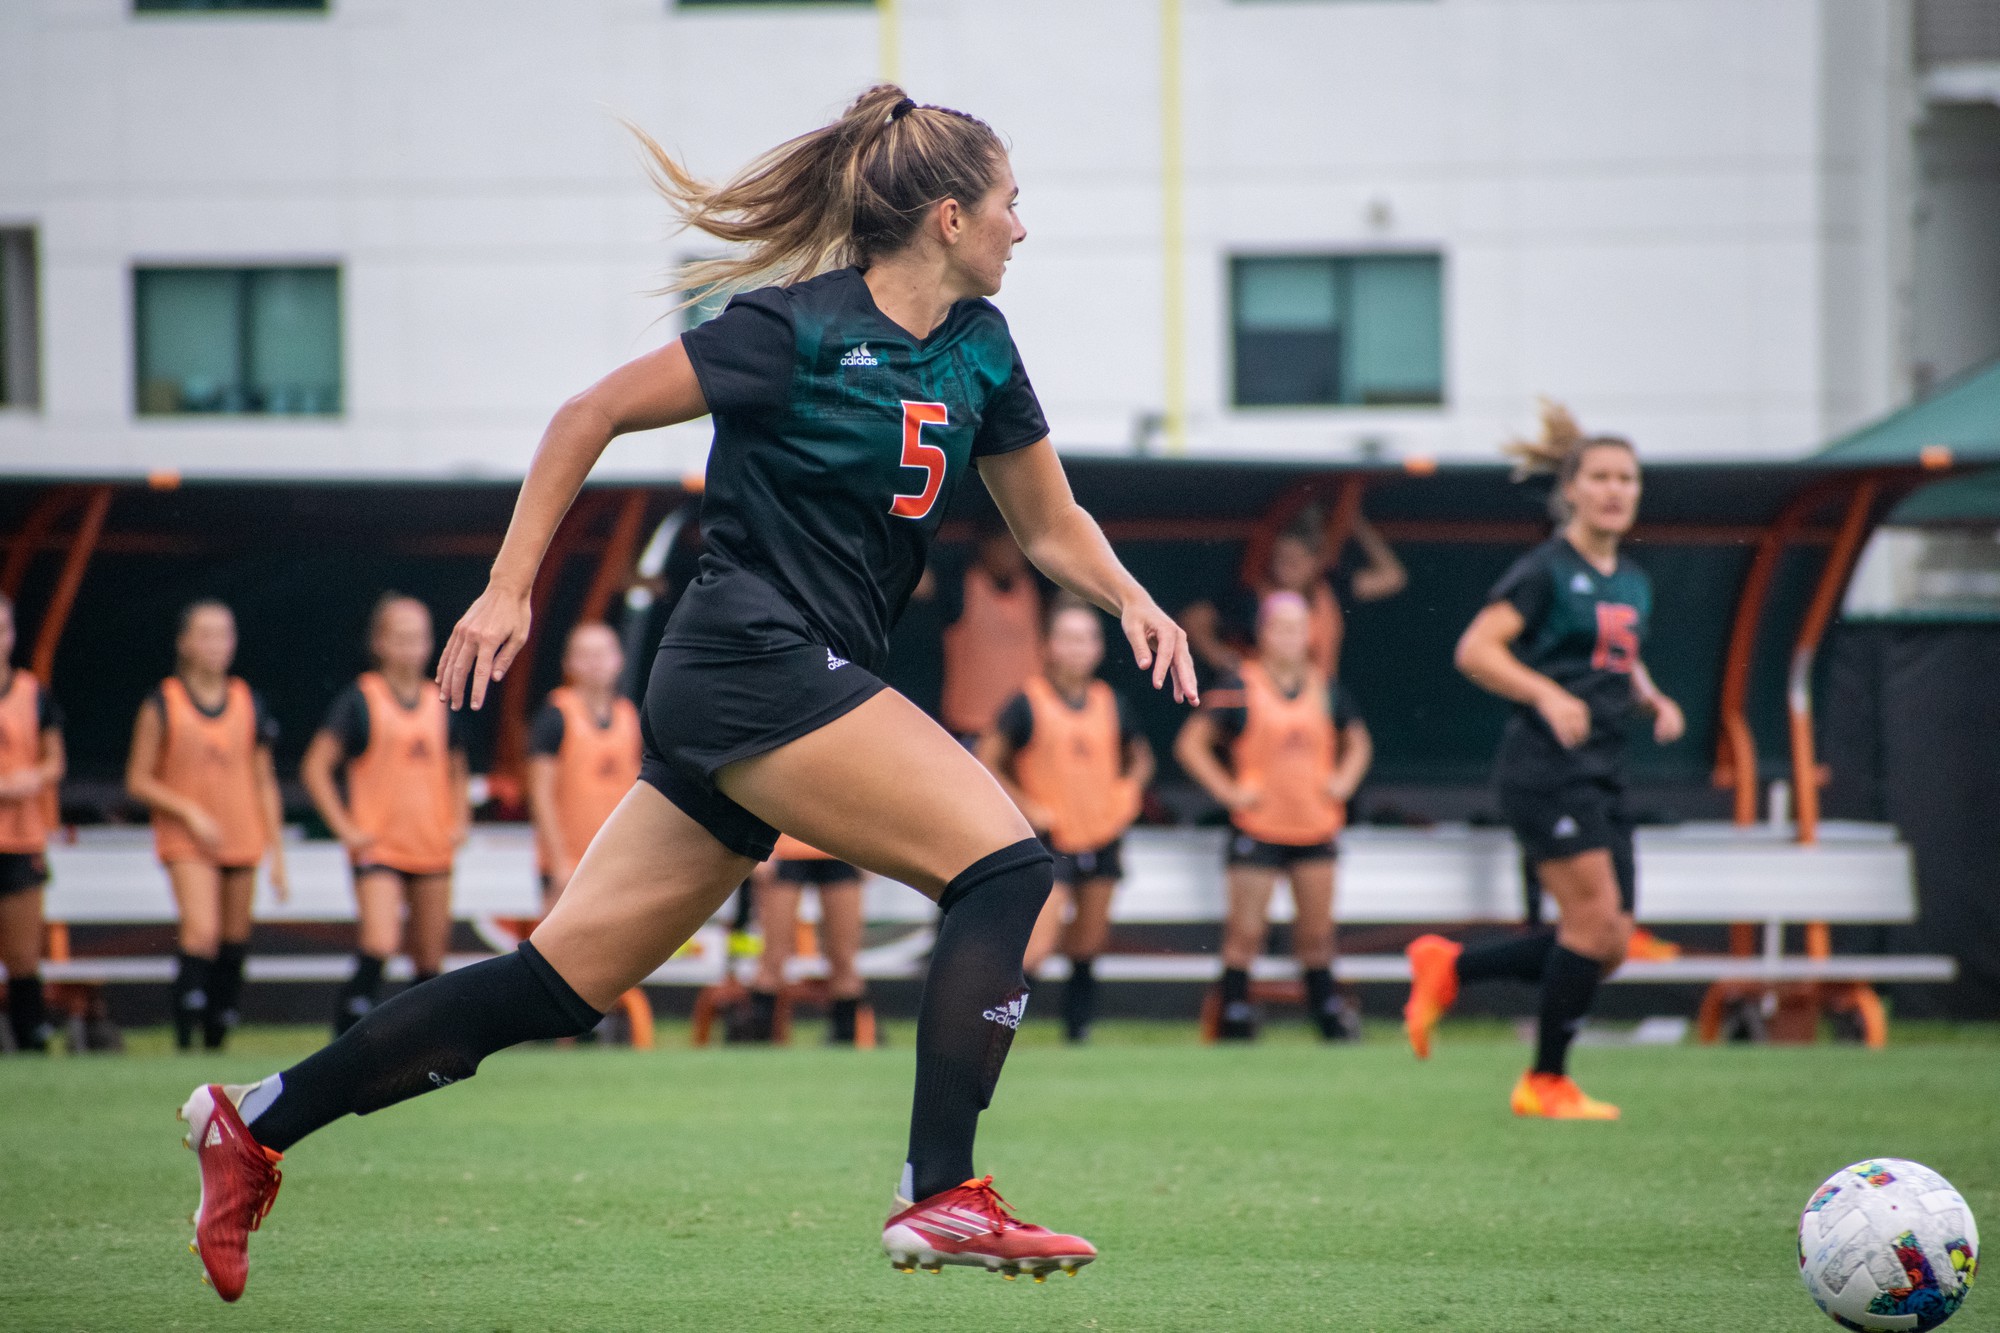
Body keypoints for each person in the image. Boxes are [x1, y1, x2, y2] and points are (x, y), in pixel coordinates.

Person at [178, 84, 1196, 1301]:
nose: (1019, 228)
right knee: (1007, 869)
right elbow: (591, 412)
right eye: (1008, 205)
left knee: (554, 985)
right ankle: (939, 1191)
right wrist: (506, 590)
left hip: (767, 685)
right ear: (945, 217)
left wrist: (1131, 599)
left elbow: (1048, 521)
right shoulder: (791, 328)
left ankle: (254, 1121)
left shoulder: (980, 345)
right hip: (749, 662)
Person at [1402, 403, 1685, 1120]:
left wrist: (1651, 696)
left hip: (1604, 767)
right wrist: (1547, 693)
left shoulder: (1633, 579)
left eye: (1627, 478)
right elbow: (1475, 650)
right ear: (1571, 489)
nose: (1616, 490)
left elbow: (1617, 653)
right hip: (1545, 767)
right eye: (1601, 477)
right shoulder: (1545, 570)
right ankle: (1545, 1082)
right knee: (1593, 925)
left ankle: (1451, 965)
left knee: (1609, 941)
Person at [1175, 591, 1372, 1042]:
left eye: (1298, 627)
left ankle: (1327, 1012)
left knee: (1317, 933)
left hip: (1314, 824)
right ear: (1263, 633)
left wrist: (1342, 781)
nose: (1289, 637)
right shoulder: (1238, 685)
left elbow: (1359, 742)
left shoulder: (1326, 688)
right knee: (1245, 932)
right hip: (1258, 826)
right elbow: (1191, 745)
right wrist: (1229, 792)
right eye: (1280, 627)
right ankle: (1235, 1012)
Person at [977, 596, 1153, 1043]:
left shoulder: (1110, 701)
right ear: (1050, 645)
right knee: (1036, 946)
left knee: (1089, 941)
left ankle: (1078, 1029)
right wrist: (1025, 805)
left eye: (1087, 638)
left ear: (1099, 647)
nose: (1078, 648)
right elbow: (987, 759)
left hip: (1101, 833)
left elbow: (1140, 757)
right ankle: (994, 1030)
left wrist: (1127, 792)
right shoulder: (1027, 702)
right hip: (1049, 840)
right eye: (1068, 638)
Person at [300, 594, 469, 1038]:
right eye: (401, 637)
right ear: (379, 643)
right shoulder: (360, 699)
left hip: (430, 845)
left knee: (430, 959)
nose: (412, 646)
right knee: (380, 941)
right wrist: (345, 828)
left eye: (419, 637)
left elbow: (456, 768)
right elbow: (315, 767)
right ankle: (345, 1041)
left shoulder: (439, 700)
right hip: (380, 847)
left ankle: (420, 1047)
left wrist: (460, 820)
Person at [124, 601, 286, 1051]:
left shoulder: (248, 701)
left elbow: (264, 780)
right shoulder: (163, 702)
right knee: (201, 933)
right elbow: (137, 779)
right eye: (206, 634)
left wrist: (277, 853)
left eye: (224, 634)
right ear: (184, 642)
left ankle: (216, 1041)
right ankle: (184, 1042)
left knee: (234, 941)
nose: (217, 644)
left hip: (242, 834)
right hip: (187, 838)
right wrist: (188, 811)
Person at [1182, 512, 1405, 680]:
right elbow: (1193, 618)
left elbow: (1392, 577)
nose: (1284, 569)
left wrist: (1353, 521)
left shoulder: (1331, 589)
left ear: (1316, 561)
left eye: (1294, 561)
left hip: (1315, 705)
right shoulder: (1252, 599)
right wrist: (1222, 658)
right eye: (1280, 559)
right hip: (1266, 702)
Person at [526, 622, 641, 914]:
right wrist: (558, 861)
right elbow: (540, 794)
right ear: (568, 663)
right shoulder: (556, 715)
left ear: (619, 660)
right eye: (585, 654)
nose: (595, 662)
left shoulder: (630, 716)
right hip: (568, 863)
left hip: (618, 862)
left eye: (602, 653)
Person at [0, 594, 64, 1054]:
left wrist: (31, 779)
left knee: (23, 954)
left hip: (20, 837)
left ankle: (31, 1041)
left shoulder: (32, 693)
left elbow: (54, 761)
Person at [745, 834, 870, 1045]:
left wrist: (868, 850)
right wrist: (757, 847)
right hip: (783, 849)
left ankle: (845, 1046)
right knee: (773, 958)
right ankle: (759, 1047)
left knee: (844, 959)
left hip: (841, 848)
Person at [939, 523, 1042, 743]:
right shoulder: (960, 586)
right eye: (1005, 545)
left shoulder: (1033, 588)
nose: (1013, 554)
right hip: (971, 729)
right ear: (986, 545)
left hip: (1026, 729)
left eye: (1018, 547)